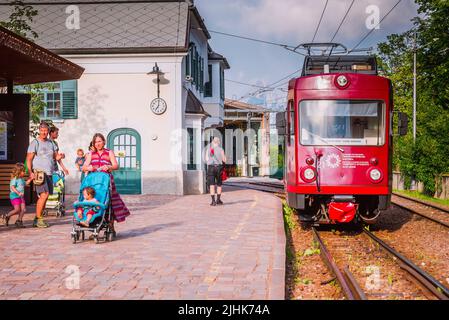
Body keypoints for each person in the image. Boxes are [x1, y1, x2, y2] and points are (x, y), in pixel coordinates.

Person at [82, 133, 130, 237]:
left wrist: (109, 166)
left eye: (99, 141)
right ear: (93, 143)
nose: (98, 144)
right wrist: (88, 168)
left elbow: (116, 165)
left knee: (109, 204)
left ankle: (111, 227)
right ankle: (95, 228)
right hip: (94, 183)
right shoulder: (91, 154)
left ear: (104, 141)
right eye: (96, 142)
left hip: (107, 182)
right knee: (95, 204)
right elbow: (84, 167)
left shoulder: (109, 152)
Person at [26, 122, 63, 228]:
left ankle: (38, 218)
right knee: (44, 194)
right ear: (39, 130)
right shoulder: (35, 143)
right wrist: (30, 172)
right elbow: (29, 159)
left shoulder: (51, 143)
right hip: (39, 173)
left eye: (46, 130)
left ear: (48, 131)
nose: (44, 132)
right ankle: (38, 219)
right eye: (42, 130)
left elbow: (56, 157)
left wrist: (61, 156)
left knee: (46, 196)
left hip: (49, 172)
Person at [1, 163, 33, 228]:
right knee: (17, 210)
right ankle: (7, 216)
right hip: (14, 196)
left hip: (21, 197)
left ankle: (19, 221)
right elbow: (12, 187)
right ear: (19, 171)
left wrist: (31, 179)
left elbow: (26, 183)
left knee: (23, 210)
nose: (24, 172)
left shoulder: (21, 179)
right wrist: (18, 193)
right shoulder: (14, 179)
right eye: (23, 171)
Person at [205, 137, 227, 206]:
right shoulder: (221, 149)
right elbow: (224, 160)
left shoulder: (208, 149)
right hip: (218, 168)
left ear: (212, 142)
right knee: (219, 184)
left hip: (211, 168)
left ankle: (213, 201)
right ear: (218, 142)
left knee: (211, 185)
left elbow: (206, 159)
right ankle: (218, 200)